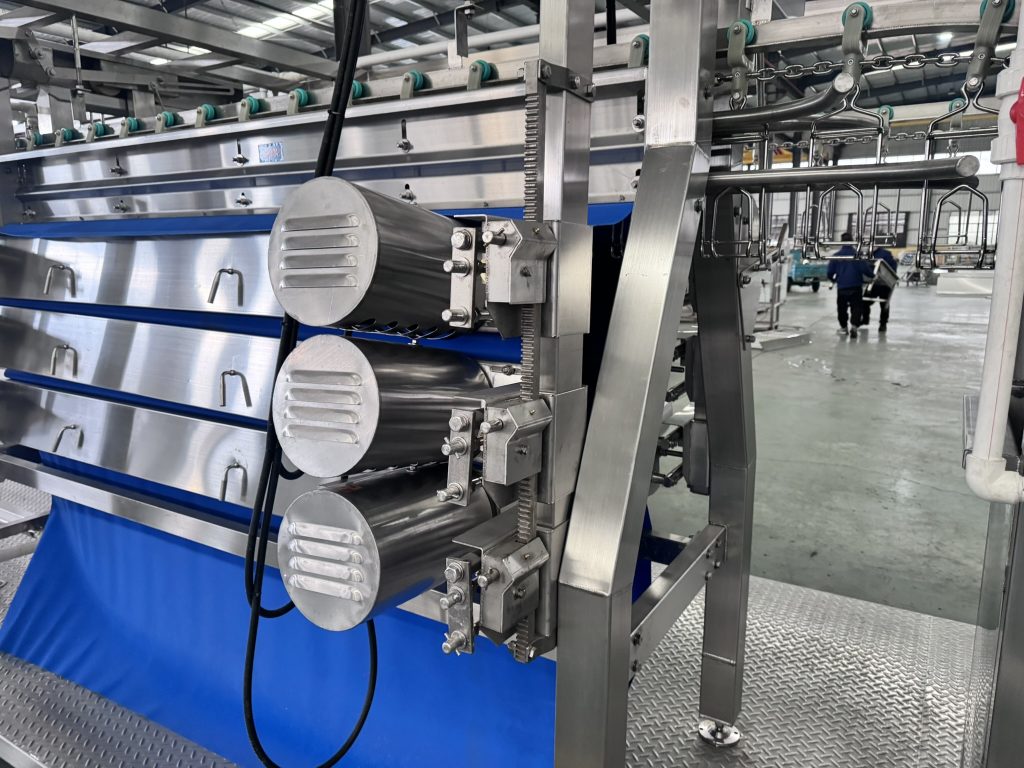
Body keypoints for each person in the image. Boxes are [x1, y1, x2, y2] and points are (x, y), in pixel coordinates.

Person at [827, 233, 874, 338]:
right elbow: (865, 270)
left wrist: (834, 280)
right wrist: (873, 276)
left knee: (842, 308)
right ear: (852, 241)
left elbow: (830, 272)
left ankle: (844, 328)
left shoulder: (836, 256)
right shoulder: (858, 255)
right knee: (857, 307)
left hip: (842, 287)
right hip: (856, 286)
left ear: (841, 242)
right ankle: (854, 326)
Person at [863, 245, 898, 333]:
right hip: (878, 283)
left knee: (881, 304)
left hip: (883, 284)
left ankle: (875, 322)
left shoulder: (884, 254)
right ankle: (880, 324)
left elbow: (892, 267)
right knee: (881, 304)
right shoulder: (870, 254)